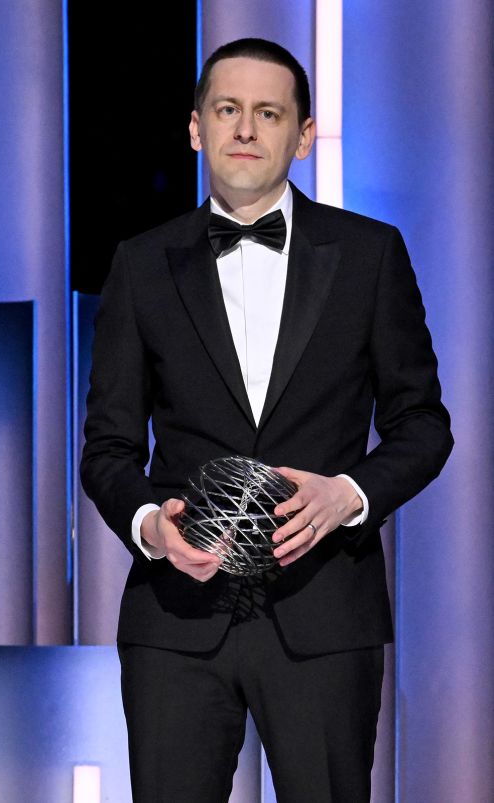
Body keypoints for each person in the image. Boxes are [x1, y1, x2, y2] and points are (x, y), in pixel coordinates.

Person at [81, 38, 452, 802]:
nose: (244, 128)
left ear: (303, 135)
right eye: (227, 110)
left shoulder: (369, 255)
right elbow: (109, 447)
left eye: (268, 112)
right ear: (195, 128)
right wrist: (152, 525)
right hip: (176, 620)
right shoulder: (141, 264)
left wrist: (347, 493)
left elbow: (423, 424)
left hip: (324, 615)